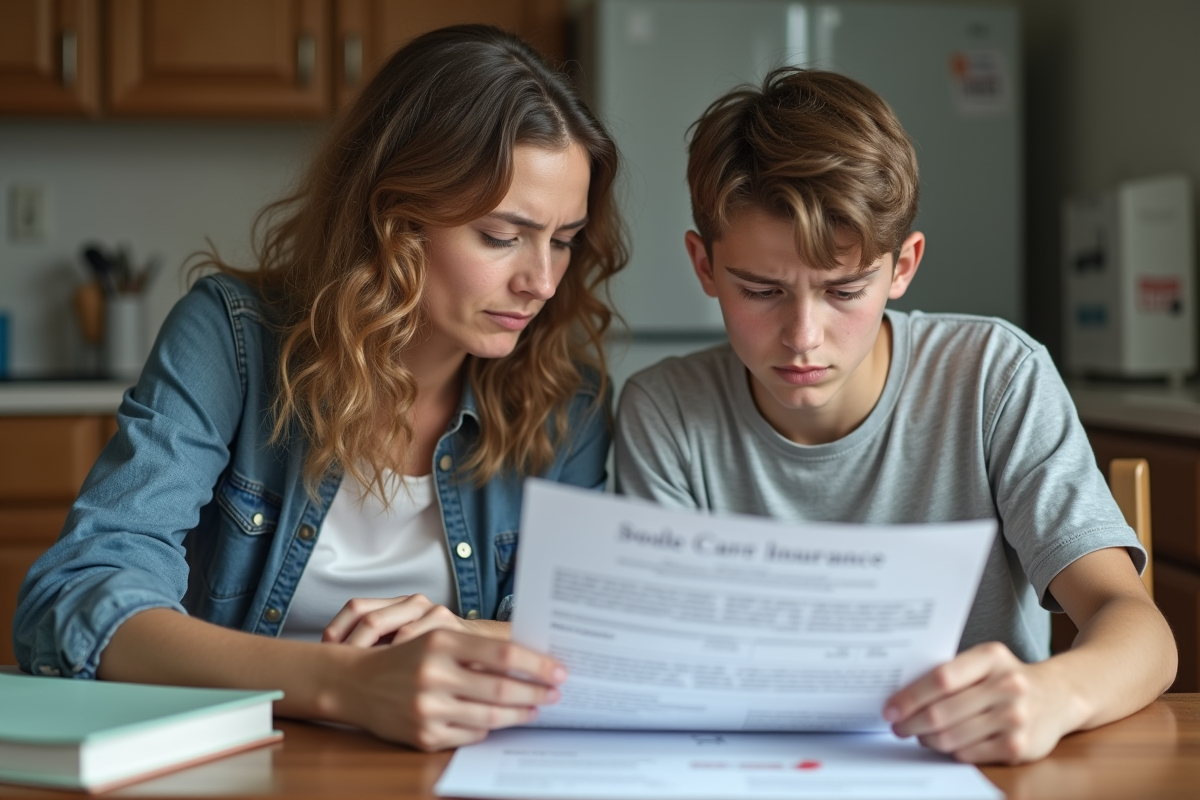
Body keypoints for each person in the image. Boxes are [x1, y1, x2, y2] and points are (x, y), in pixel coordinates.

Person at [15, 25, 627, 752]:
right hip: (243, 763)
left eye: (563, 240)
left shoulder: (567, 394)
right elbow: (78, 596)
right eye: (502, 235)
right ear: (393, 215)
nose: (543, 282)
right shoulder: (232, 340)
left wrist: (468, 636)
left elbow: (581, 641)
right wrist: (346, 683)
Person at [614, 67, 1176, 765]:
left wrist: (1054, 695)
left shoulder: (993, 376)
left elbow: (1139, 630)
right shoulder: (663, 412)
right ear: (704, 265)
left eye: (844, 290)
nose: (803, 336)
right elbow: (661, 666)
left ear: (902, 266)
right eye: (760, 289)